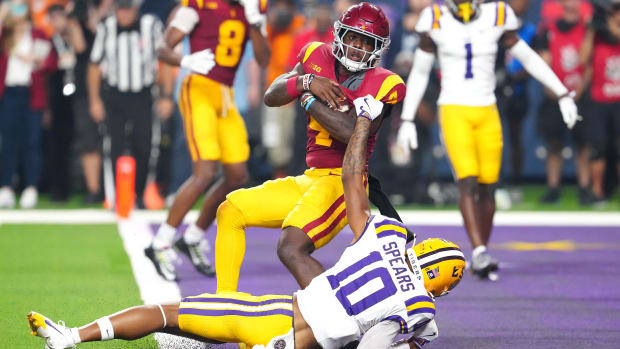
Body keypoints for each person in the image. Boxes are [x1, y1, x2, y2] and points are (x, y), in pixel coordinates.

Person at [26, 93, 467, 349]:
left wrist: (365, 125)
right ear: (443, 287)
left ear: (420, 249)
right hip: (311, 340)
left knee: (167, 314)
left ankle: (72, 337)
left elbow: (353, 179)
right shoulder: (422, 309)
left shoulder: (386, 235)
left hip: (276, 313)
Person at [215, 2, 412, 293]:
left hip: (344, 183)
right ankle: (225, 302)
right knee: (230, 210)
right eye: (352, 38)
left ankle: (339, 315)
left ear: (378, 47)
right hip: (312, 176)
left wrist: (307, 96)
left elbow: (349, 130)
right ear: (340, 35)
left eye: (366, 41)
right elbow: (272, 95)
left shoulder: (385, 83)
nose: (357, 47)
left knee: (291, 247)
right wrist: (307, 80)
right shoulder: (314, 54)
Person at [396, 0, 581, 279]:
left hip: (487, 108)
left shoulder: (497, 15)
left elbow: (528, 57)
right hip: (454, 107)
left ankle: (482, 248)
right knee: (467, 179)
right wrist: (408, 117)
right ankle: (480, 250)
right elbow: (420, 71)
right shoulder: (434, 19)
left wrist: (562, 92)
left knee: (488, 185)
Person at [150, 0, 271, 281]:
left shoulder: (254, 7)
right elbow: (162, 47)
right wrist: (183, 60)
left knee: (237, 175)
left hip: (226, 94)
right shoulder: (199, 4)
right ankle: (160, 243)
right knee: (204, 172)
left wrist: (254, 20)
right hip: (199, 88)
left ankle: (192, 237)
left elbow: (264, 59)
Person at [88, 0, 174, 209]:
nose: (124, 15)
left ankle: (141, 194)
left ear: (135, 10)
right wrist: (94, 100)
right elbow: (94, 65)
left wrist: (166, 96)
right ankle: (116, 197)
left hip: (143, 95)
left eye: (128, 10)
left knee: (145, 146)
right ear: (116, 10)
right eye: (121, 10)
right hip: (116, 95)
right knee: (113, 147)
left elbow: (165, 61)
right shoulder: (106, 27)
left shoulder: (151, 26)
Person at [0, 0, 56, 209]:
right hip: (9, 94)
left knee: (32, 142)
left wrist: (39, 61)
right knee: (8, 142)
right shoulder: (5, 33)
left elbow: (52, 61)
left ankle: (30, 187)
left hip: (32, 94)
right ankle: (5, 186)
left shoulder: (38, 34)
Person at [534, 0, 591, 205]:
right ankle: (553, 187)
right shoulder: (548, 29)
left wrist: (580, 90)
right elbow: (543, 62)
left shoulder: (587, 29)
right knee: (554, 144)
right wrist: (555, 92)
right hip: (555, 96)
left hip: (580, 94)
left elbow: (589, 62)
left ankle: (585, 188)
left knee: (583, 144)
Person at [580, 0, 620, 206]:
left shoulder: (613, 31)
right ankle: (598, 192)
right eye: (614, 12)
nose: (616, 15)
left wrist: (612, 26)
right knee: (598, 148)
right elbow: (582, 58)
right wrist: (590, 30)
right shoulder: (598, 36)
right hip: (599, 100)